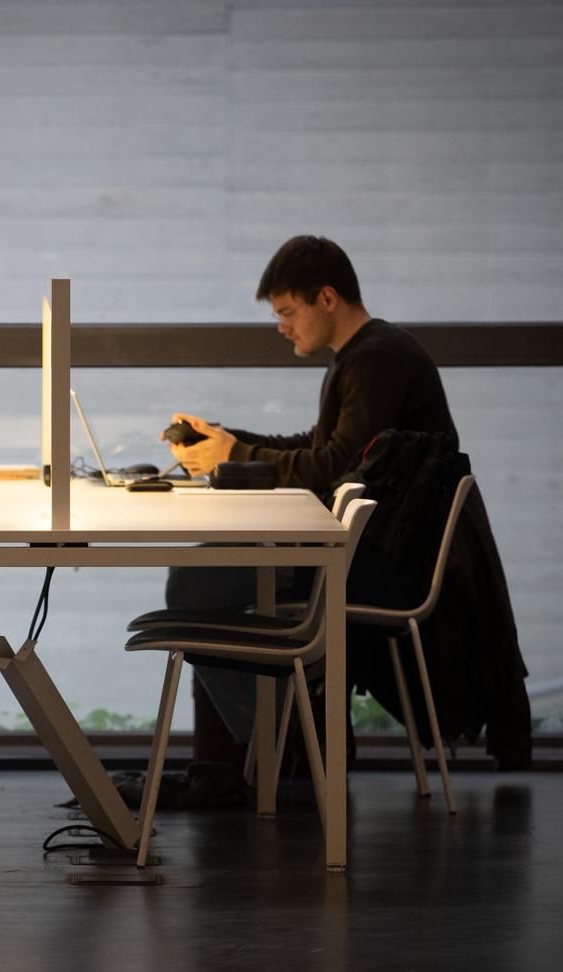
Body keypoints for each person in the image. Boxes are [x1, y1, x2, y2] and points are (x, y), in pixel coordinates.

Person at [161, 236, 466, 762]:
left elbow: (331, 467)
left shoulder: (377, 360)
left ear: (326, 299)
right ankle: (278, 745)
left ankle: (275, 749)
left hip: (369, 564)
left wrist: (236, 454)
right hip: (358, 553)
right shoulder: (367, 355)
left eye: (287, 312)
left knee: (195, 580)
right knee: (202, 574)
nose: (282, 327)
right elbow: (319, 447)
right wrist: (226, 442)